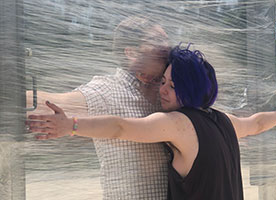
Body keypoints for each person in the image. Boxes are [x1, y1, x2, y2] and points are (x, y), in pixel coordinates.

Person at [28, 45, 276, 200]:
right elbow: (255, 123)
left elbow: (120, 127)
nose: (162, 90)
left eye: (173, 86)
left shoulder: (178, 123)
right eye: (163, 81)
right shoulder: (223, 120)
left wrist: (71, 125)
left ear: (191, 89)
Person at [27, 16, 171, 199]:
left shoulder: (169, 93)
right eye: (157, 41)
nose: (167, 47)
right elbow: (51, 101)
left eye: (166, 39)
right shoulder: (106, 91)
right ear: (131, 53)